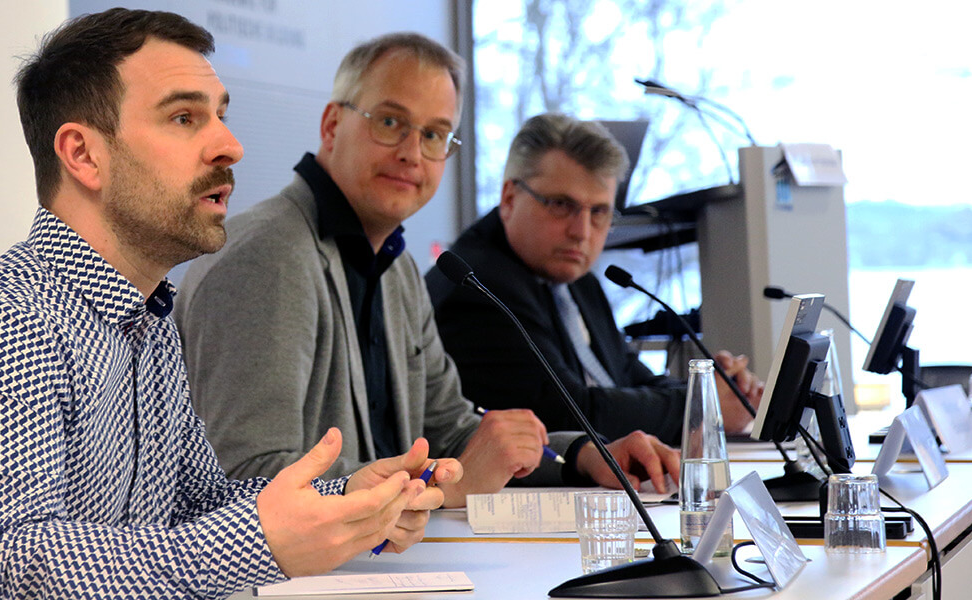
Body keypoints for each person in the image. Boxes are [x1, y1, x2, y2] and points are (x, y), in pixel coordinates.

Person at [0, 10, 462, 600]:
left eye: (221, 117)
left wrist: (350, 498)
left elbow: (199, 501)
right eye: (184, 118)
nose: (230, 146)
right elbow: (16, 565)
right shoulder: (0, 321)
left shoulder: (146, 322)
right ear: (83, 155)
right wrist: (263, 542)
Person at [174, 33, 679, 509]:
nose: (412, 154)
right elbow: (244, 480)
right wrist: (434, 486)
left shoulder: (396, 270)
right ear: (332, 126)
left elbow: (452, 433)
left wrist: (580, 457)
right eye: (390, 122)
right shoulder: (267, 256)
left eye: (435, 134)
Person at [425, 113, 763, 447]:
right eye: (561, 204)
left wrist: (709, 388)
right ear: (509, 198)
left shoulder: (576, 281)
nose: (581, 232)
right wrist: (703, 407)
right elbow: (567, 414)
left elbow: (628, 376)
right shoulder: (477, 287)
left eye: (599, 212)